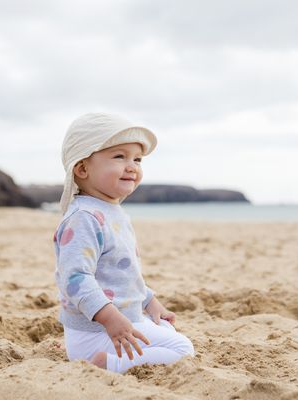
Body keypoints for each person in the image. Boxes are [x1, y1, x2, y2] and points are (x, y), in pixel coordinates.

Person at [53, 113, 194, 373]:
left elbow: (122, 273)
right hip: (98, 329)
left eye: (137, 159)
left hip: (116, 323)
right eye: (119, 157)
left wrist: (151, 303)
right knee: (183, 349)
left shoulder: (111, 211)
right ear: (82, 168)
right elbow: (74, 278)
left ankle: (112, 346)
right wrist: (110, 319)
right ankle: (107, 363)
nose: (132, 166)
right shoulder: (83, 217)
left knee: (165, 327)